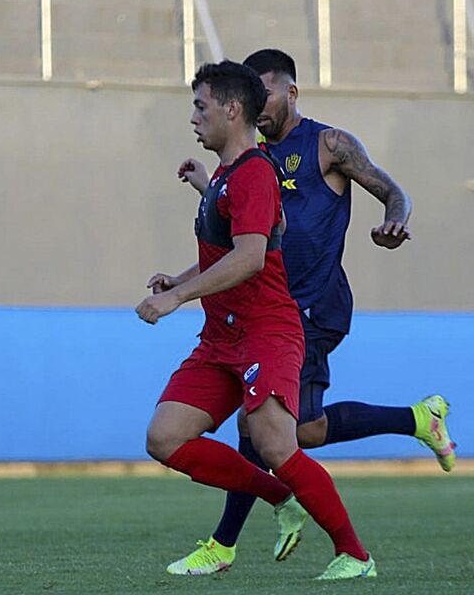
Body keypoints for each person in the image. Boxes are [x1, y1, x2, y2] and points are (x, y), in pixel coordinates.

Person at [167, 48, 456, 576]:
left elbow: (392, 190)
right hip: (262, 307)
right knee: (304, 432)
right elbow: (247, 235)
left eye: (267, 93)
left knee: (263, 432)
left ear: (290, 93)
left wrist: (394, 222)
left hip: (312, 307)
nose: (257, 104)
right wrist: (206, 200)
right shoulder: (245, 159)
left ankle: (227, 544)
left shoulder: (329, 145)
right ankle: (418, 418)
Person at [136, 59, 376, 580]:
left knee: (276, 444)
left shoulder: (254, 173)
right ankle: (281, 499)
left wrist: (175, 301)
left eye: (201, 106)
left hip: (266, 333)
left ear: (231, 108)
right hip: (221, 339)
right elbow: (245, 244)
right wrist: (180, 281)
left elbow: (249, 258)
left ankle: (355, 557)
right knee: (164, 438)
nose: (194, 118)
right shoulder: (229, 176)